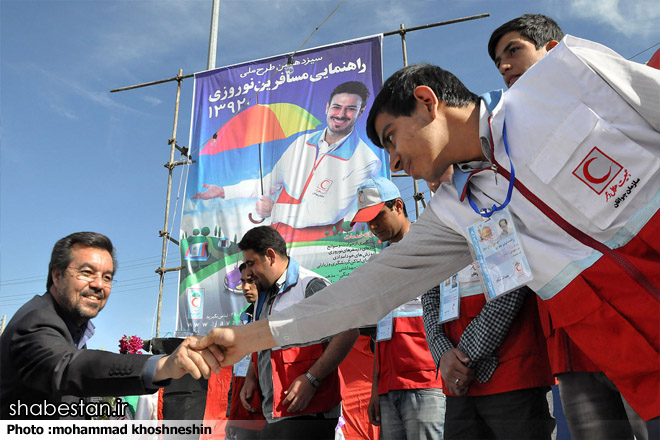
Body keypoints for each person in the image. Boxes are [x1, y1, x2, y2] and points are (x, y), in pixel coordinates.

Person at [192, 36, 660, 432]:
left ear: (427, 101)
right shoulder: (455, 212)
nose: (393, 162)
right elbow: (366, 292)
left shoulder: (561, 80)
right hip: (644, 376)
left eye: (392, 137)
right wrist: (253, 337)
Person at [489, 14, 649, 440]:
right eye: (497, 61)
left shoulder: (602, 90)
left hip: (633, 328)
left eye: (514, 51)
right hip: (571, 344)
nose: (504, 66)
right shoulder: (503, 161)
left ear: (555, 48)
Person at [0, 232, 219, 419]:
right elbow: (69, 367)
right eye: (86, 273)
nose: (98, 285)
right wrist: (163, 365)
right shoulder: (36, 320)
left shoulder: (71, 330)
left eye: (107, 277)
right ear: (57, 276)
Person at [191, 81, 382, 242]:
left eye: (350, 109)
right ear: (327, 107)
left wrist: (274, 209)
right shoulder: (302, 143)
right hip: (279, 241)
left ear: (361, 111)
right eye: (336, 107)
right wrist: (224, 191)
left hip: (318, 247)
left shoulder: (365, 161)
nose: (340, 114)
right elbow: (269, 182)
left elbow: (328, 212)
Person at [237, 226, 358, 439]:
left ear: (270, 256)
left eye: (251, 263)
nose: (248, 272)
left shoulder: (310, 285)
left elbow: (348, 331)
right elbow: (261, 343)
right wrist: (251, 377)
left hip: (310, 415)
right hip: (275, 413)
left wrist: (312, 379)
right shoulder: (262, 297)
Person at [352, 177, 445, 439]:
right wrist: (376, 389)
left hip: (427, 381)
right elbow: (382, 332)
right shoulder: (380, 264)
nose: (372, 226)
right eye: (367, 221)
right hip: (388, 386)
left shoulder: (432, 247)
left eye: (377, 216)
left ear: (399, 206)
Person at [226, 263, 265, 439]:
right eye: (243, 282)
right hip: (243, 409)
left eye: (252, 281)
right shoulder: (244, 317)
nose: (246, 288)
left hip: (268, 410)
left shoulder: (276, 316)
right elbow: (238, 373)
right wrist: (232, 416)